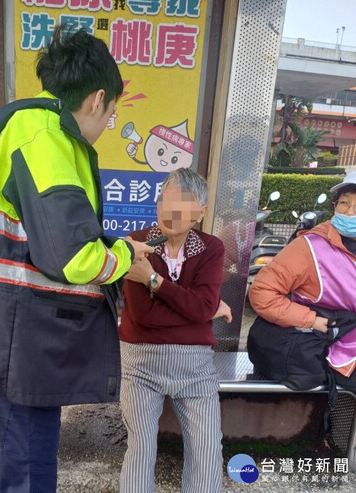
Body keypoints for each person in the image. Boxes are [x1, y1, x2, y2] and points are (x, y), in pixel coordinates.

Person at [0, 28, 153, 493]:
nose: (107, 123)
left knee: (1, 464)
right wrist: (124, 256)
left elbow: (29, 230)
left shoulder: (9, 127)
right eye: (111, 113)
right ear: (96, 98)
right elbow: (72, 258)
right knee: (27, 472)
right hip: (23, 342)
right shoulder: (47, 140)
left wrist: (110, 242)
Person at [118, 168, 231, 493]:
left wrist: (154, 281)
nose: (172, 211)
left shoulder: (211, 248)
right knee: (141, 447)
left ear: (201, 212)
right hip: (140, 365)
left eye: (183, 203)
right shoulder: (136, 243)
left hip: (196, 368)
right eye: (166, 202)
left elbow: (202, 307)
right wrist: (199, 310)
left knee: (208, 449)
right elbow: (144, 315)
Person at [249, 171, 356, 385]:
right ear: (334, 205)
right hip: (332, 351)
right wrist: (312, 321)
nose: (350, 212)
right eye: (344, 203)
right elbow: (262, 293)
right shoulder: (310, 247)